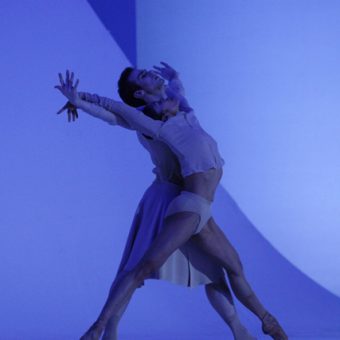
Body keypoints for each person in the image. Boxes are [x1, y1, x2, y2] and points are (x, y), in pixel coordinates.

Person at [55, 67, 288, 340]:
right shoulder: (151, 122)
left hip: (196, 206)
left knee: (218, 271)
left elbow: (177, 90)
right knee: (137, 268)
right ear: (141, 93)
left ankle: (250, 327)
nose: (150, 75)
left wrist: (174, 76)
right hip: (170, 199)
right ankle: (103, 329)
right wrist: (79, 99)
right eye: (143, 77)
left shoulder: (182, 109)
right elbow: (113, 111)